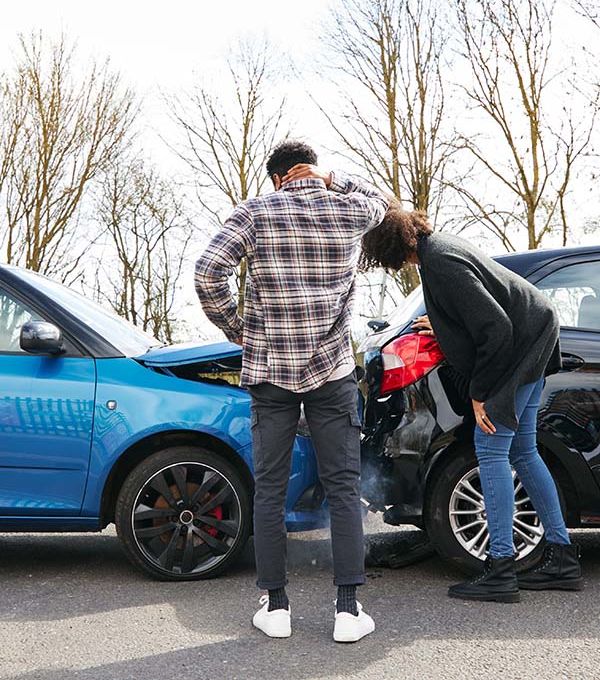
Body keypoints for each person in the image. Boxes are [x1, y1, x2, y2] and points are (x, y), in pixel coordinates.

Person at [194, 142, 388, 640]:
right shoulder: (348, 208)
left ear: (277, 178)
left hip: (270, 370)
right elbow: (384, 205)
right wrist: (334, 181)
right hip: (332, 370)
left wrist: (236, 328)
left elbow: (208, 271)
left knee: (271, 489)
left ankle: (276, 606)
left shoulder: (256, 211)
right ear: (311, 171)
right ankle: (348, 610)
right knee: (343, 488)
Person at [361, 201, 583, 603]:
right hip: (534, 335)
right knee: (522, 450)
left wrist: (481, 394)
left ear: (388, 248)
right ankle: (562, 558)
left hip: (519, 345)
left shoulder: (441, 262)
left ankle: (501, 569)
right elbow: (479, 312)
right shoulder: (439, 250)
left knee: (491, 449)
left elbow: (494, 328)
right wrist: (445, 324)